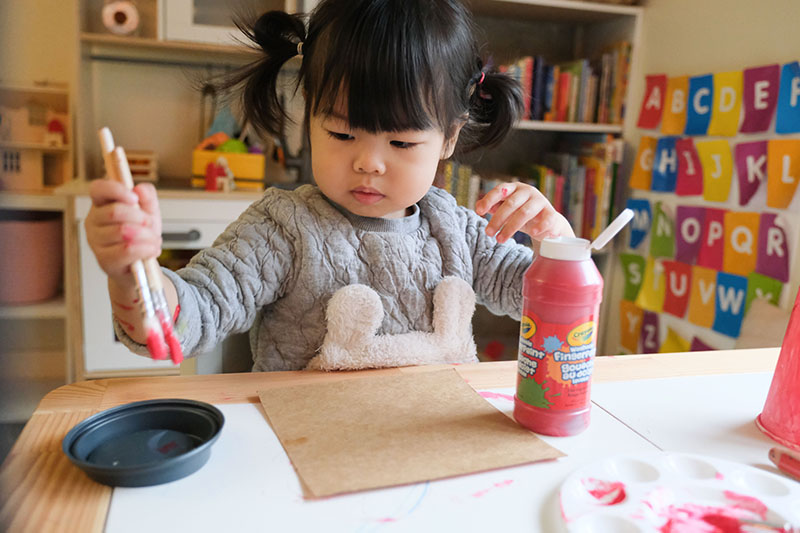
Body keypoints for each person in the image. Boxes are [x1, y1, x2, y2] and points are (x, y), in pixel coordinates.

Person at [84, 0, 574, 372]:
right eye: (341, 134)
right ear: (310, 119)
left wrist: (558, 245)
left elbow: (548, 306)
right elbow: (183, 323)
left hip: (431, 456)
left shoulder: (459, 231)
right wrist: (133, 275)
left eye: (401, 143)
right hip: (305, 457)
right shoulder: (282, 230)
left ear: (448, 138)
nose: (367, 162)